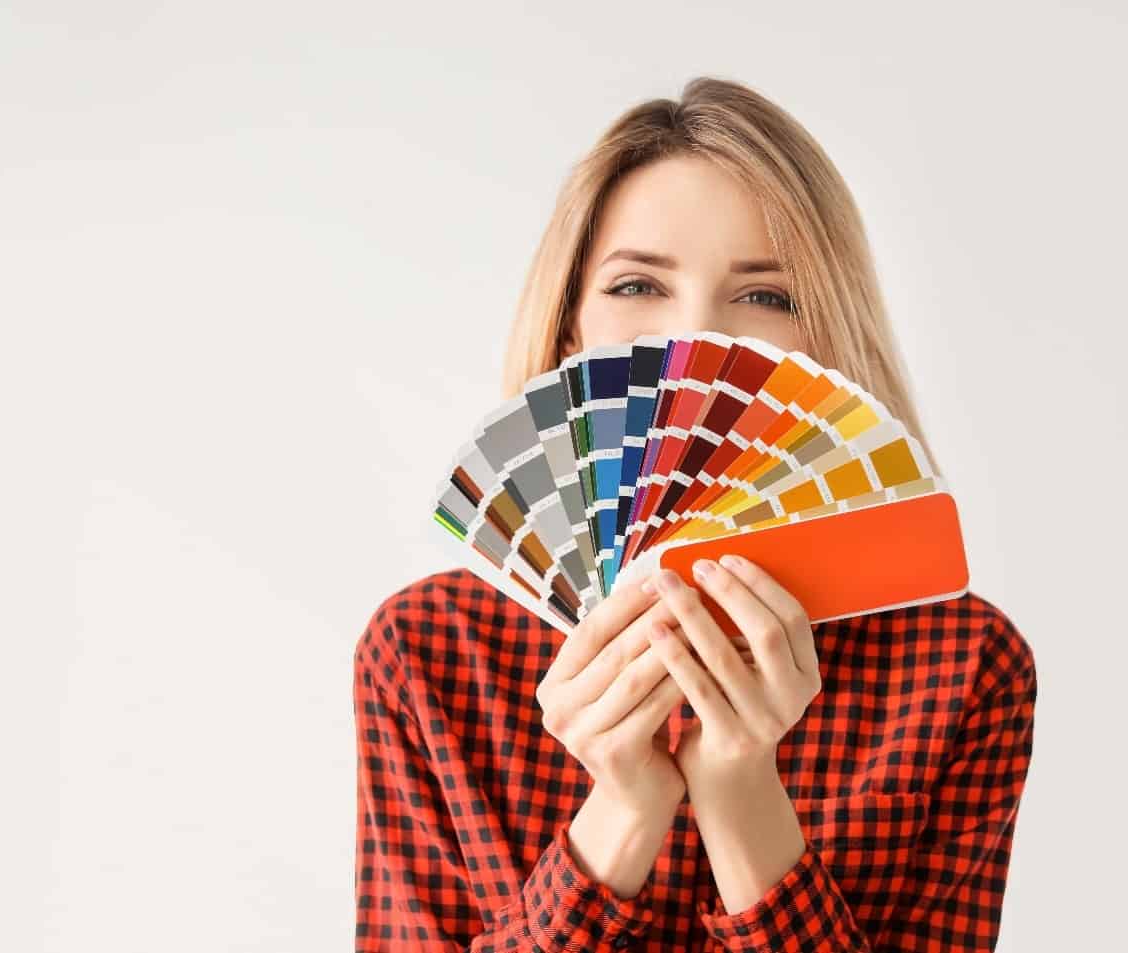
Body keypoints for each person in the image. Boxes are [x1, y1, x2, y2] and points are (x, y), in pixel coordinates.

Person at [354, 76, 1037, 952]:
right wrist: (625, 810)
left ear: (825, 349)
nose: (694, 342)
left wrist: (741, 790)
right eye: (638, 285)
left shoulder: (960, 667)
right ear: (571, 334)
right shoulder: (430, 652)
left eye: (767, 297)